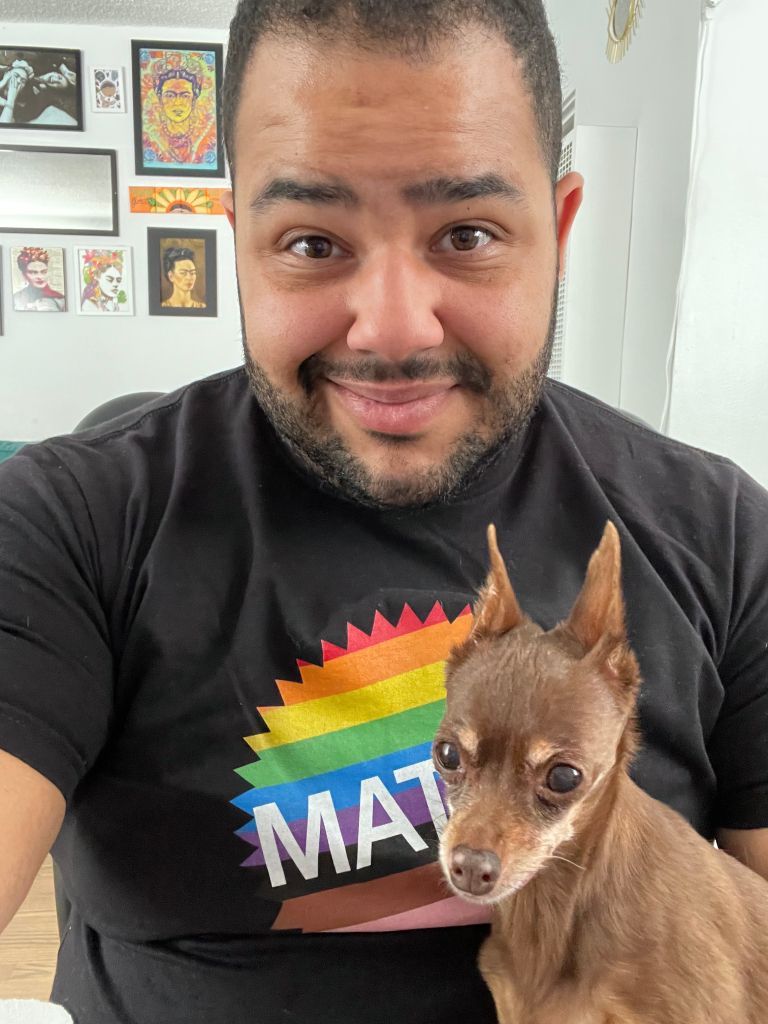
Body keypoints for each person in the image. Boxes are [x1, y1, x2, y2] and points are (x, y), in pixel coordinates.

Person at [0, 1, 766, 1022]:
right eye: (314, 241)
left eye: (467, 234)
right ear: (240, 243)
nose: (393, 327)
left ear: (560, 229)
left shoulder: (722, 534)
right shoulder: (68, 521)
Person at [12, 247, 66, 312]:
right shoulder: (16, 299)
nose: (40, 277)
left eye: (44, 272)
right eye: (33, 272)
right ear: (24, 275)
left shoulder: (60, 299)